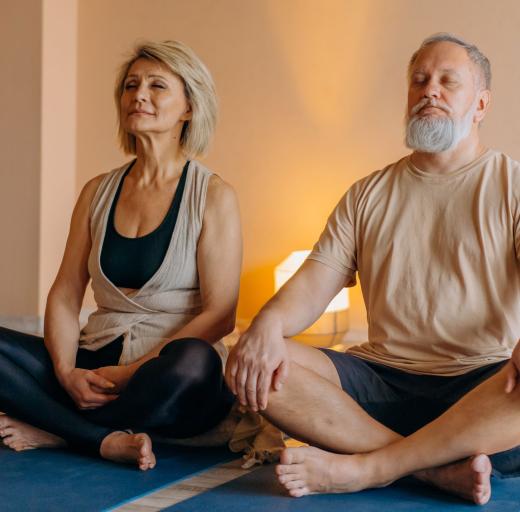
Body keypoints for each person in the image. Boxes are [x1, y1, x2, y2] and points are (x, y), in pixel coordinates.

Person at [226, 33, 520, 505]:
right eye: (419, 80)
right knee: (256, 361)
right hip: (381, 379)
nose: (430, 91)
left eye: (448, 81)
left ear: (481, 104)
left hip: (480, 389)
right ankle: (430, 471)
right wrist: (266, 326)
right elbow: (311, 285)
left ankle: (368, 466)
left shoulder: (512, 184)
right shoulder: (368, 194)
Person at [0, 40, 241, 470]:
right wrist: (66, 371)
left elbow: (221, 314)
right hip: (99, 357)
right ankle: (100, 438)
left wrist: (131, 373)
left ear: (189, 108)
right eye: (131, 85)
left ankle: (59, 429)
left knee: (192, 361)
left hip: (167, 375)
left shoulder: (214, 196)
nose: (139, 95)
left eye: (157, 86)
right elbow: (66, 293)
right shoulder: (97, 191)